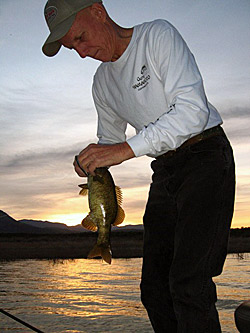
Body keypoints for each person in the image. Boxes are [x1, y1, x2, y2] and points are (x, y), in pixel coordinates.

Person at [42, 0, 235, 331]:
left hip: (205, 156)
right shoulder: (102, 82)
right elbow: (108, 142)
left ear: (98, 11)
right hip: (164, 172)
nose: (82, 53)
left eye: (81, 38)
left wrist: (122, 150)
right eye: (73, 47)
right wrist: (90, 160)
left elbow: (192, 112)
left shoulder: (157, 36)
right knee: (154, 291)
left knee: (189, 285)